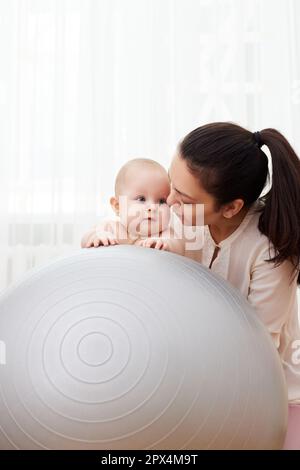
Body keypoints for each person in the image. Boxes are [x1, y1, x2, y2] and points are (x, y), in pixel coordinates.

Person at [167, 122, 300, 449]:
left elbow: (259, 347)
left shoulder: (269, 249)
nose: (169, 202)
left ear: (231, 207)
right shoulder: (185, 223)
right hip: (202, 385)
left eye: (183, 198)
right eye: (171, 186)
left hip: (275, 396)